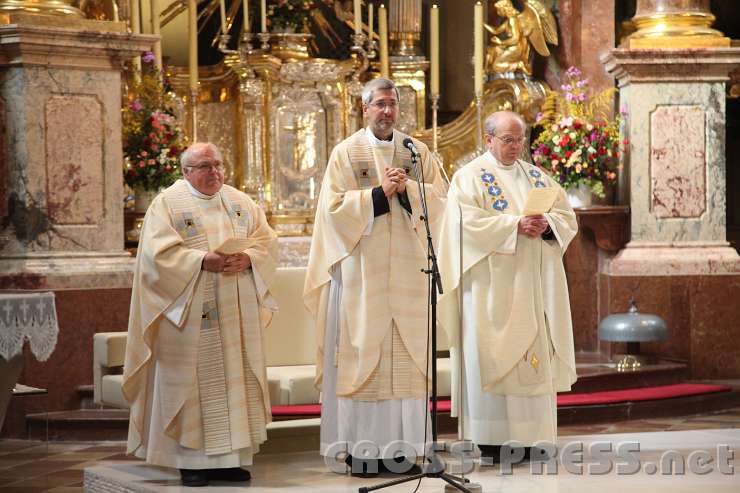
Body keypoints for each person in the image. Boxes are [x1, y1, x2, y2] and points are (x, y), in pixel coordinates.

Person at [304, 78, 447, 477]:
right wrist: (379, 195)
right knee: (365, 355)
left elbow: (442, 199)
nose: (387, 111)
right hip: (361, 277)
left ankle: (404, 450)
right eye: (380, 104)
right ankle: (364, 452)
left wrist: (409, 193)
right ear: (364, 109)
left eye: (393, 104)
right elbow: (332, 209)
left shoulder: (417, 152)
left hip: (407, 272)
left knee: (404, 358)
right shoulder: (346, 153)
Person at [122, 142, 279, 486]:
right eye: (205, 166)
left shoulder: (241, 201)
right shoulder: (167, 204)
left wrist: (250, 258)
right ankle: (190, 461)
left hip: (236, 313)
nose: (215, 172)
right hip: (189, 314)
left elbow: (267, 241)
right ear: (186, 171)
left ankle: (229, 460)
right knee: (193, 387)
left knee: (233, 383)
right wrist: (199, 260)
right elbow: (154, 256)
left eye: (219, 164)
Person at [438, 111, 578, 464]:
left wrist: (546, 225)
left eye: (519, 140)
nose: (516, 147)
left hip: (531, 289)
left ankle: (534, 438)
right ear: (488, 140)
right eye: (507, 140)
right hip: (489, 290)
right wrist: (513, 226)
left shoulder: (537, 178)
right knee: (490, 357)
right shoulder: (468, 178)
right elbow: (461, 223)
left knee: (532, 358)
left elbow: (566, 217)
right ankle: (492, 440)